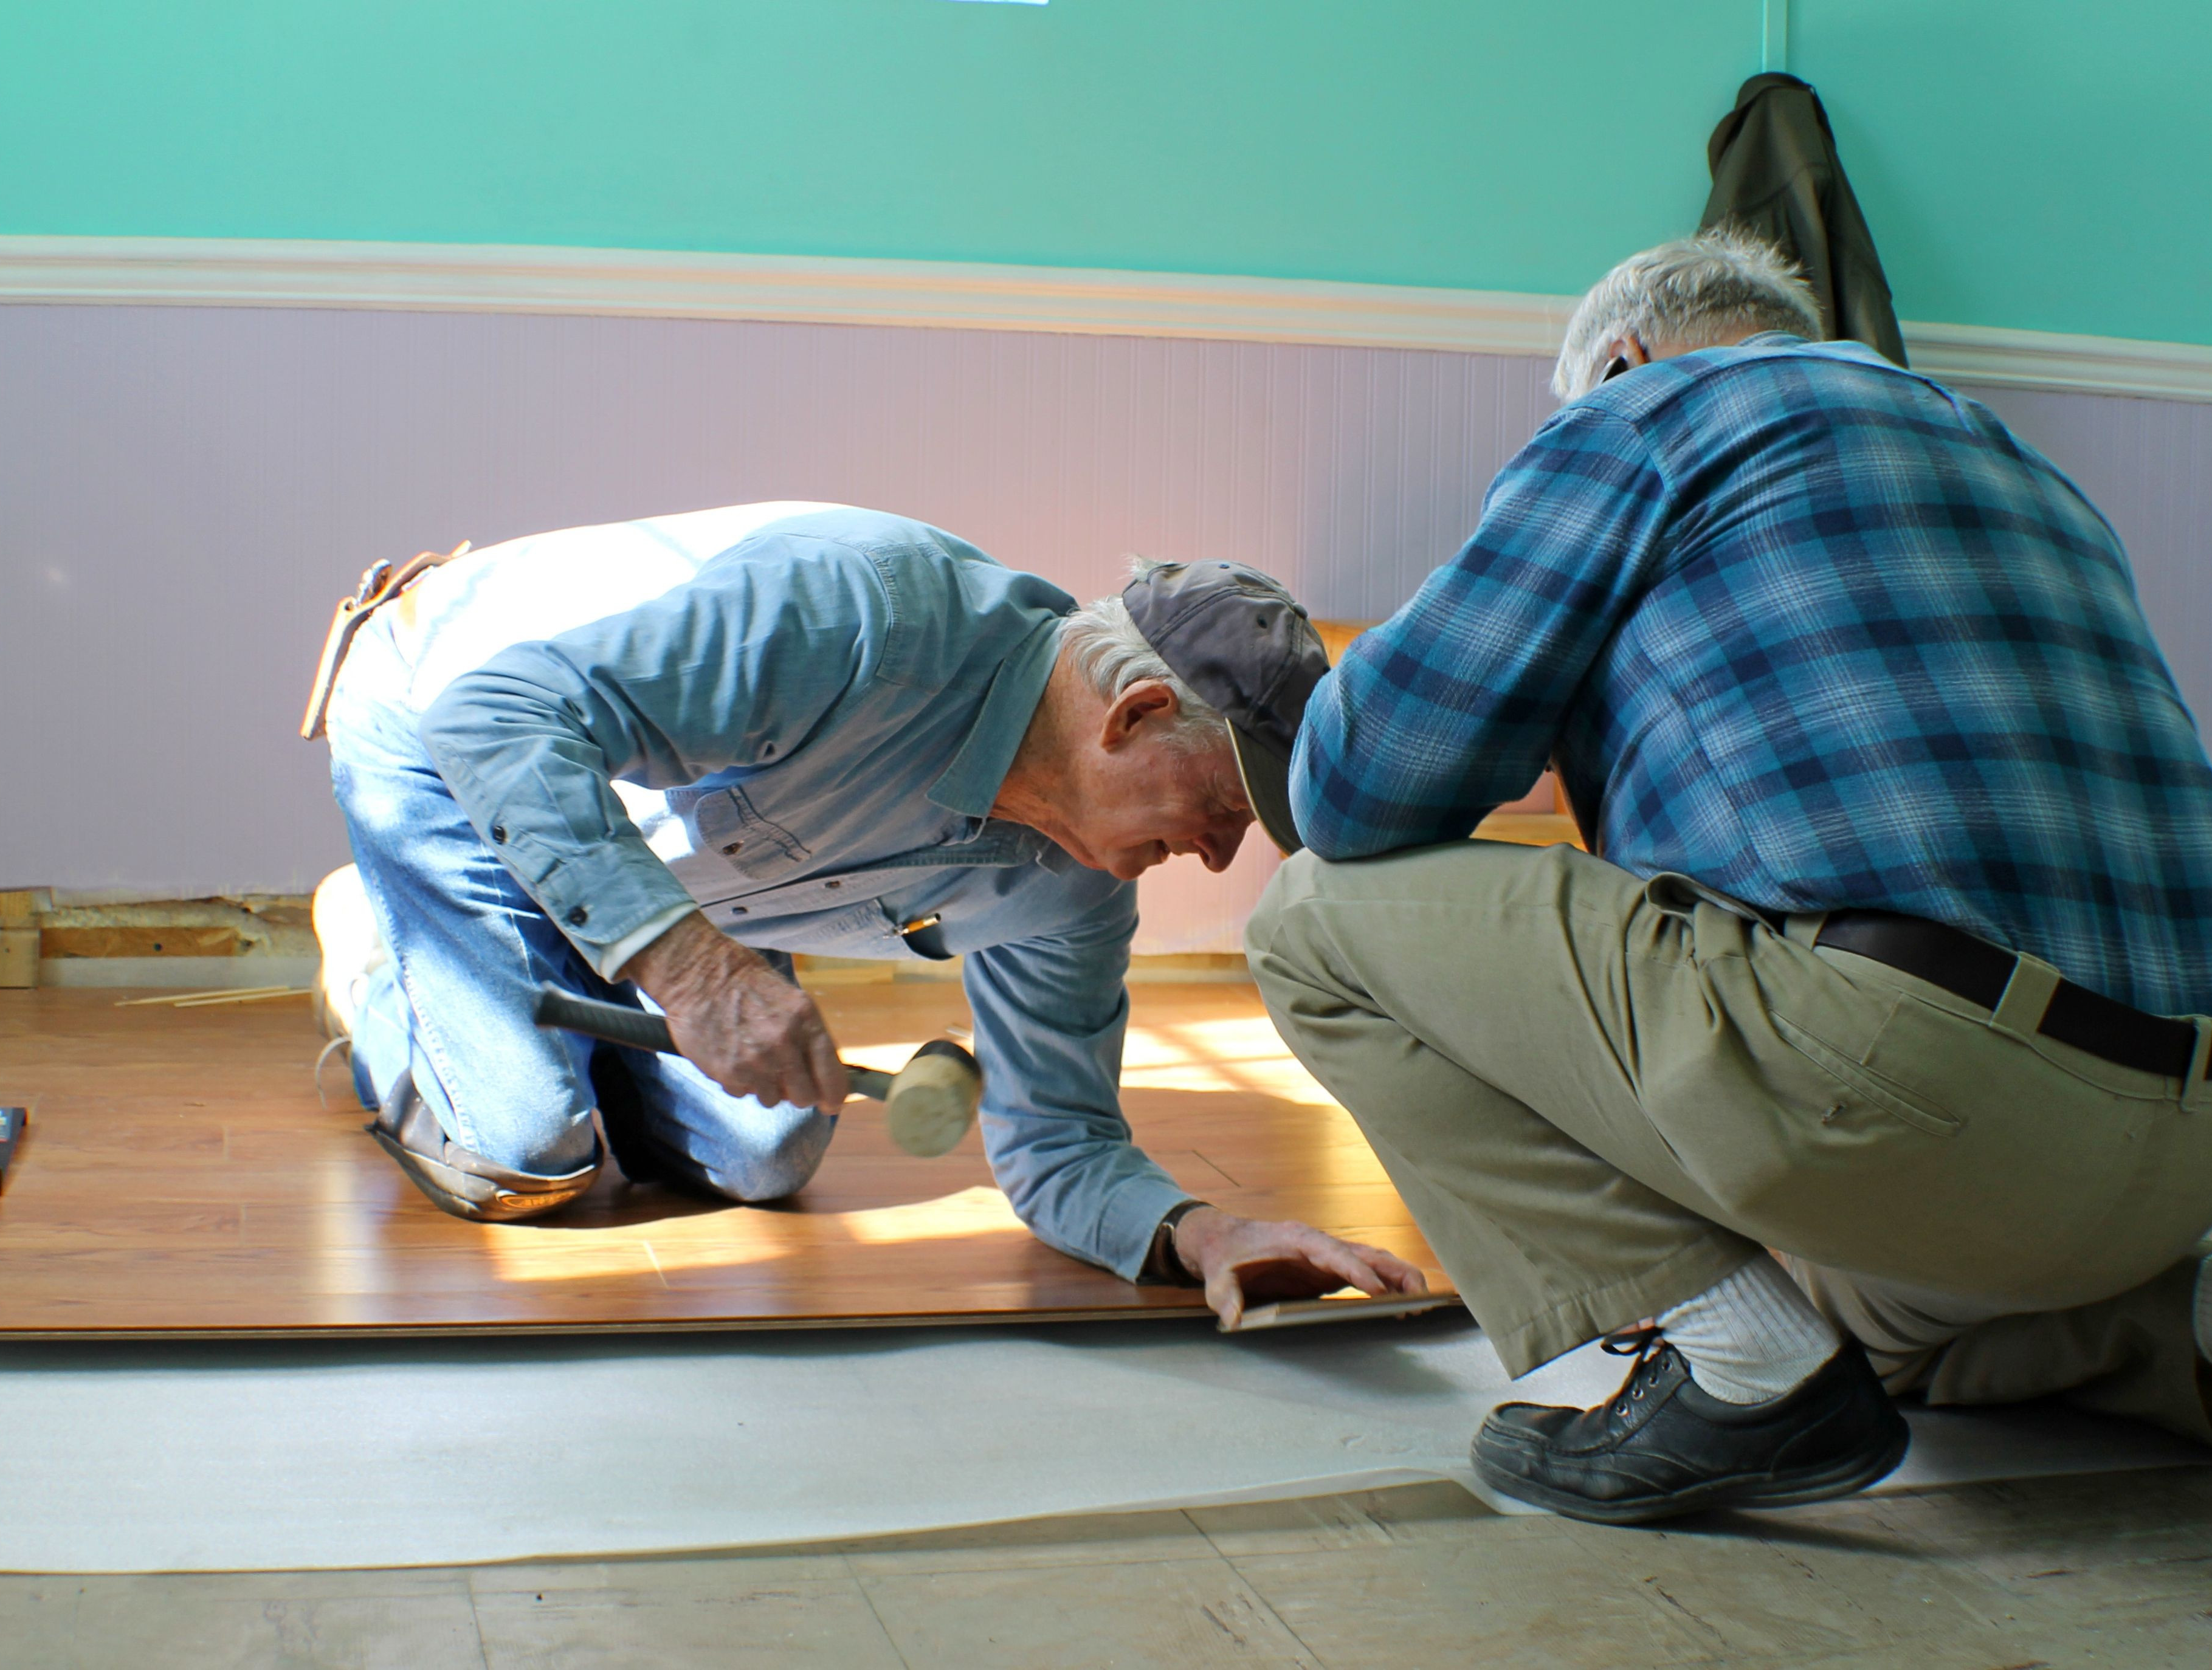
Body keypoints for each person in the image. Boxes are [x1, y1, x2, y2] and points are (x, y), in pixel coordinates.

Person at [1245, 230, 2212, 1524]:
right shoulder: (2019, 463)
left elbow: (1356, 788)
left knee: (1313, 922)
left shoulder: (1645, 413)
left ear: (1618, 357)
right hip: (2199, 1132)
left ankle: (1741, 1369)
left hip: (1912, 1077)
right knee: (1881, 1327)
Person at [309, 501, 1424, 1319]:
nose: (1219, 854)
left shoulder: (1079, 885)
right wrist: (698, 975)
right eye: (1224, 808)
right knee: (525, 1153)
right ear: (1129, 716)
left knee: (769, 1151)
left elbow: (1061, 1141)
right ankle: (380, 948)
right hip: (447, 723)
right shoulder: (862, 615)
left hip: (678, 859)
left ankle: (539, 965)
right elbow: (495, 715)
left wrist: (1206, 1233)